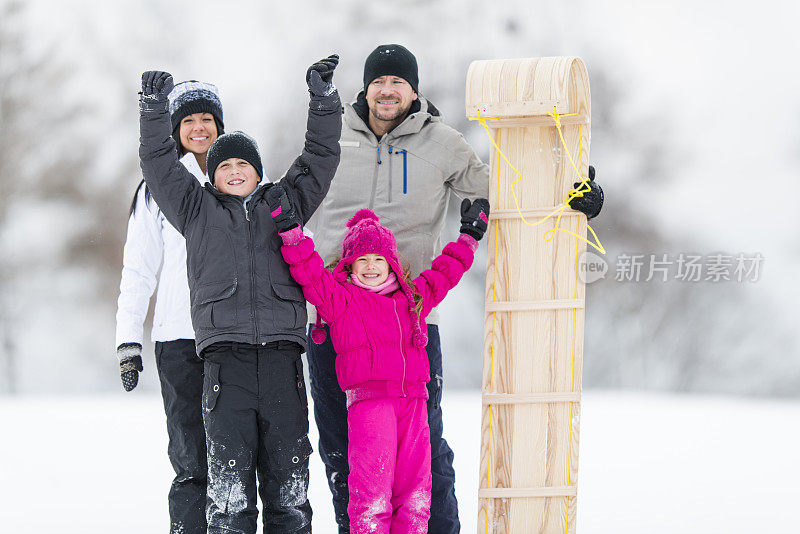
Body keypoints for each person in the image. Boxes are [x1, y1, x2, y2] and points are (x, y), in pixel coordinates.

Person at [306, 43, 604, 533]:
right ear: (365, 87)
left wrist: (573, 192)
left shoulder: (441, 144)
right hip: (335, 320)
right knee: (343, 449)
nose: (386, 91)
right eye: (378, 81)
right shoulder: (331, 138)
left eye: (397, 82)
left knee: (426, 448)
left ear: (413, 89)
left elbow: (506, 188)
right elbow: (287, 196)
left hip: (411, 321)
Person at [137, 54, 341, 534]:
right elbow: (158, 163)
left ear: (257, 170)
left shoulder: (283, 202)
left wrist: (324, 101)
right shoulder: (194, 209)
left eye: (242, 164)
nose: (232, 171)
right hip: (224, 365)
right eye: (224, 164)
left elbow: (320, 157)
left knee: (288, 490)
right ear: (212, 175)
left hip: (282, 363)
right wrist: (151, 111)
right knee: (228, 496)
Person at [269, 180, 490, 533]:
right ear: (350, 265)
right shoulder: (340, 299)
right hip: (371, 406)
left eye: (378, 259)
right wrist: (290, 231)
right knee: (372, 498)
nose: (371, 267)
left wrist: (469, 237)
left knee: (416, 496)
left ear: (392, 264)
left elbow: (446, 272)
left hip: (414, 404)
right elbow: (308, 272)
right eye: (362, 260)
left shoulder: (412, 300)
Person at [116, 79, 223, 534]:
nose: (199, 129)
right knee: (191, 462)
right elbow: (138, 269)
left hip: (231, 338)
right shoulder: (155, 190)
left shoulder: (240, 176)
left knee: (236, 462)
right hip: (177, 341)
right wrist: (128, 340)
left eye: (207, 120)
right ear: (174, 128)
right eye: (188, 121)